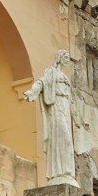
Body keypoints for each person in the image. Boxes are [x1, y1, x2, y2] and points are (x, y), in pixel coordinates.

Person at [23, 50, 78, 186]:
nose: (67, 59)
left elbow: (71, 99)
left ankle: (67, 172)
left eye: (68, 57)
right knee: (61, 137)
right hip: (56, 106)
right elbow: (40, 83)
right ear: (59, 58)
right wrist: (32, 92)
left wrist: (77, 117)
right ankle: (57, 173)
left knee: (68, 141)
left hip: (65, 107)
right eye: (65, 56)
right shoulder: (51, 72)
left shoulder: (65, 77)